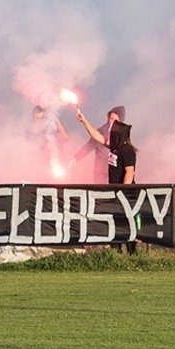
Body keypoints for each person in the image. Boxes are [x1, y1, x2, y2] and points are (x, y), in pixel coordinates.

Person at [77, 109, 137, 253]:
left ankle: (131, 252)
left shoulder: (127, 150)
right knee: (114, 221)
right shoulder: (114, 147)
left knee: (127, 222)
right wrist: (84, 121)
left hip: (125, 192)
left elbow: (130, 172)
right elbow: (98, 137)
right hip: (114, 191)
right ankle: (116, 251)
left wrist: (123, 191)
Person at [71, 106, 125, 184]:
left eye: (116, 120)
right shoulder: (101, 131)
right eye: (111, 118)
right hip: (101, 173)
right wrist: (76, 158)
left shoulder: (123, 135)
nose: (112, 122)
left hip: (116, 173)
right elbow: (88, 147)